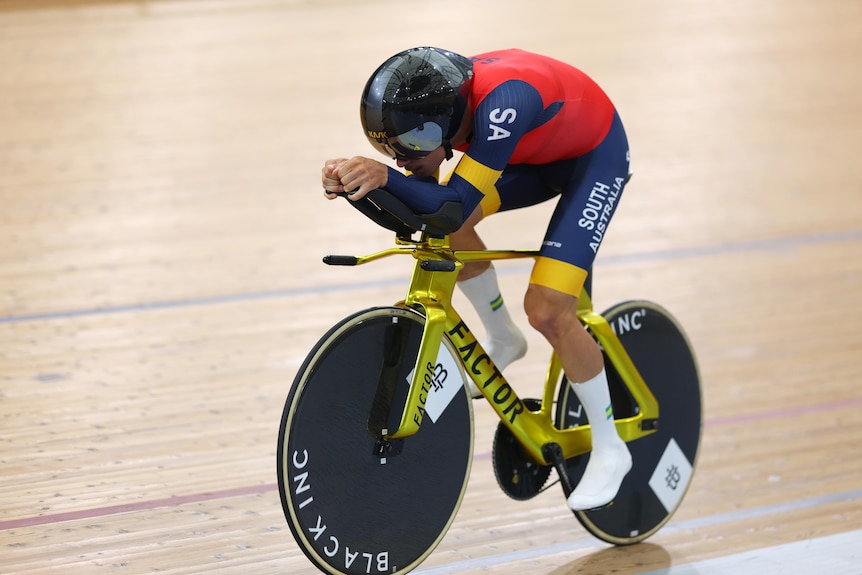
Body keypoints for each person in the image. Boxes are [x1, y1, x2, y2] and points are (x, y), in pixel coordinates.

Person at [321, 47, 632, 512]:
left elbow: (450, 205)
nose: (406, 158)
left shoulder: (506, 101)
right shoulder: (442, 101)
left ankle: (610, 446)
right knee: (452, 232)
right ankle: (503, 336)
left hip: (594, 159)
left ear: (447, 118)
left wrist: (384, 176)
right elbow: (436, 213)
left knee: (548, 310)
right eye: (390, 148)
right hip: (530, 156)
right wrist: (357, 185)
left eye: (417, 141)